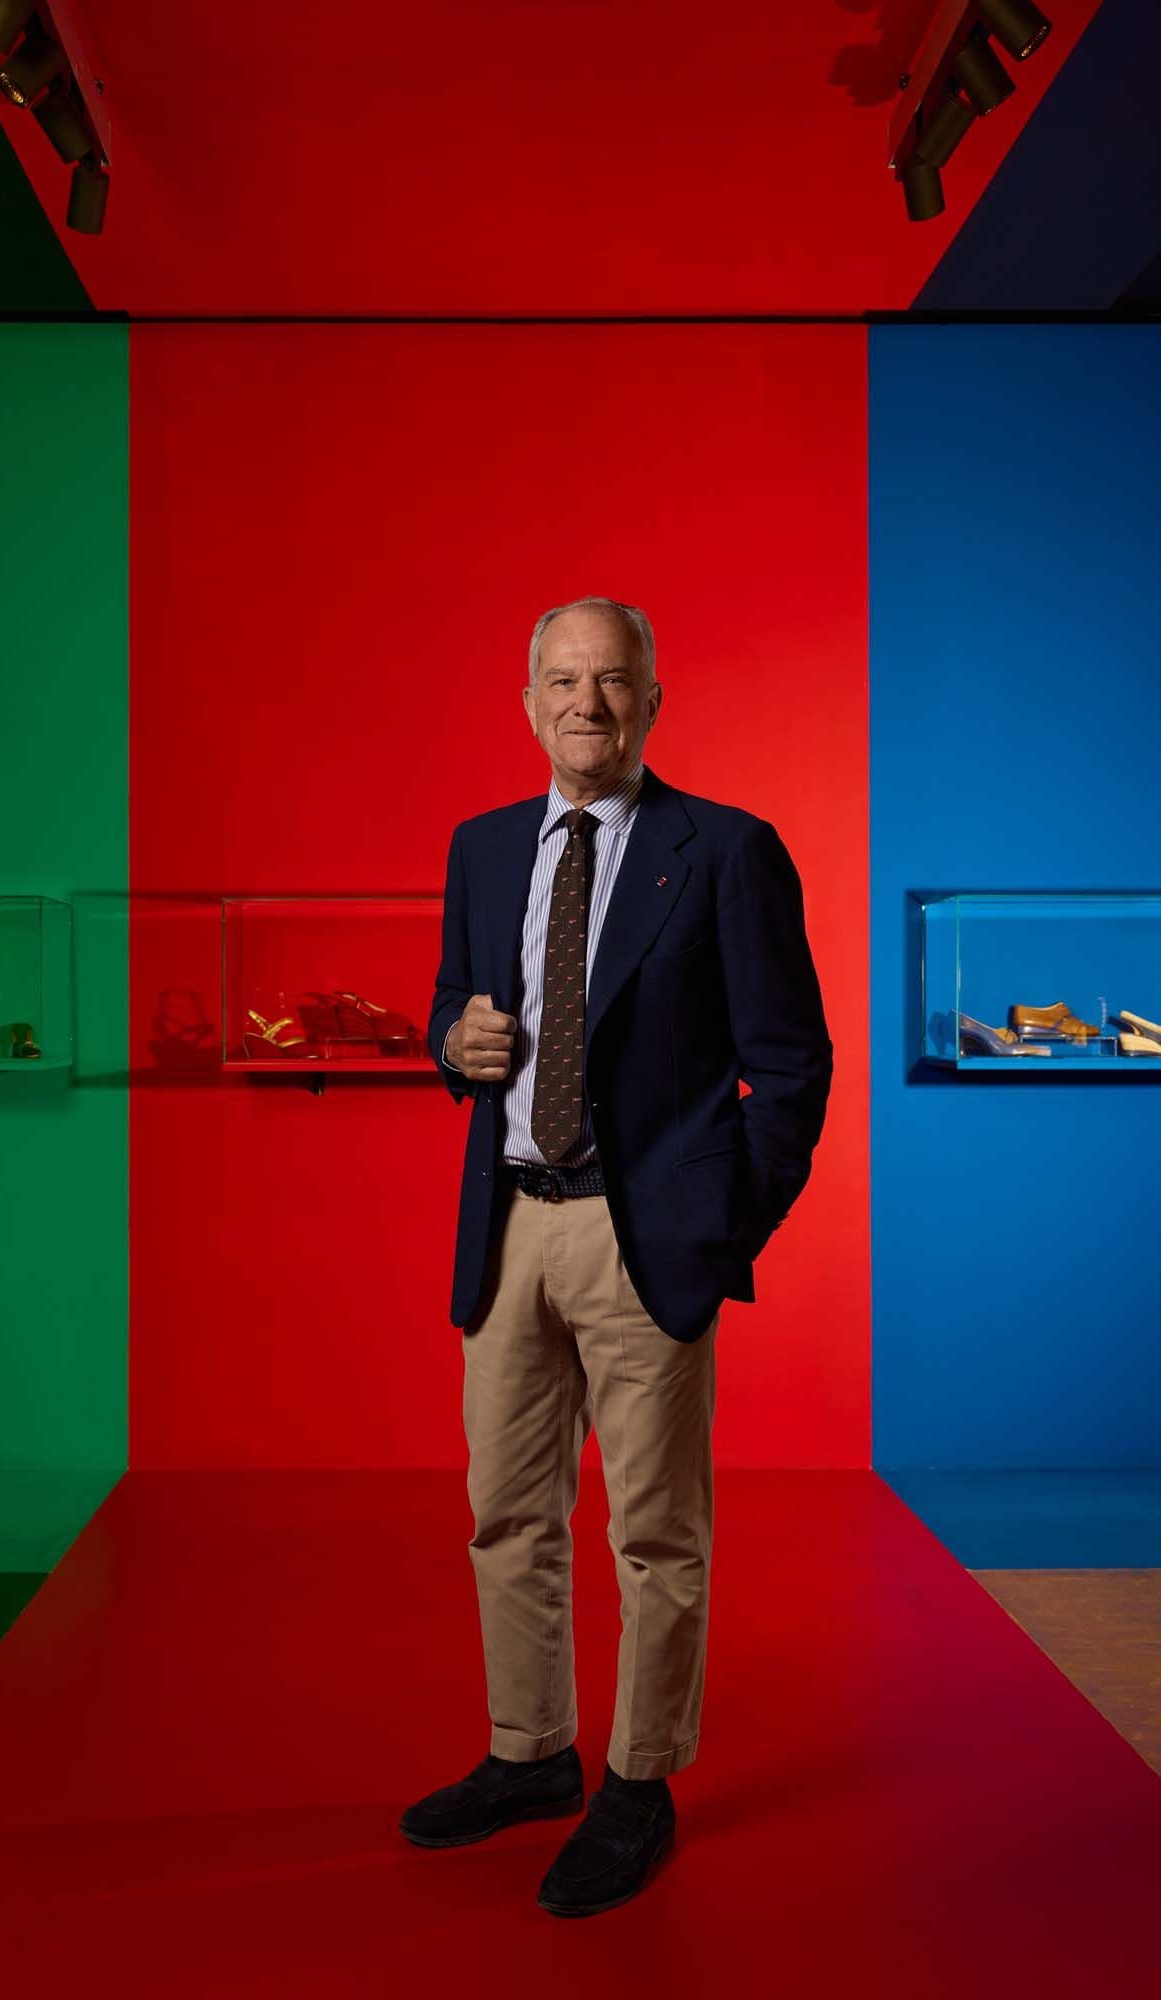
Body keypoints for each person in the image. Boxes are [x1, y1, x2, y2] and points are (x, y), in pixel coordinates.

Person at [400, 596, 833, 1916]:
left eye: (611, 681)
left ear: (652, 700)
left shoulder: (724, 851)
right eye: (561, 681)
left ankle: (637, 1785)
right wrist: (451, 1049)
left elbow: (790, 1065)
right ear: (526, 702)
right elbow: (452, 1014)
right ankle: (529, 1755)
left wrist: (717, 1226)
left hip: (645, 1240)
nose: (585, 703)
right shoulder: (481, 850)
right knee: (507, 1515)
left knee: (654, 1533)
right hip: (510, 1225)